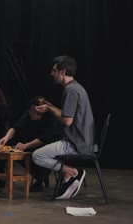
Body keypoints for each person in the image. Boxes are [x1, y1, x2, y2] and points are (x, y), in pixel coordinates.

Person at [32, 55, 96, 199]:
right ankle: (68, 176)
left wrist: (48, 110)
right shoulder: (76, 87)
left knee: (37, 156)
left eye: (54, 70)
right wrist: (49, 106)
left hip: (76, 143)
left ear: (63, 71)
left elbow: (67, 120)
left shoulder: (70, 90)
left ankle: (73, 172)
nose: (51, 73)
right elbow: (67, 114)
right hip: (82, 141)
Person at [0, 96, 63, 192]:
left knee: (38, 154)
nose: (31, 113)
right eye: (30, 110)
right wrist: (6, 137)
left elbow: (44, 139)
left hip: (48, 145)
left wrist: (25, 145)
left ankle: (40, 178)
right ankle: (1, 174)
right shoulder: (28, 115)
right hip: (31, 141)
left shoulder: (50, 119)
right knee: (13, 146)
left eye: (34, 111)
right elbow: (16, 127)